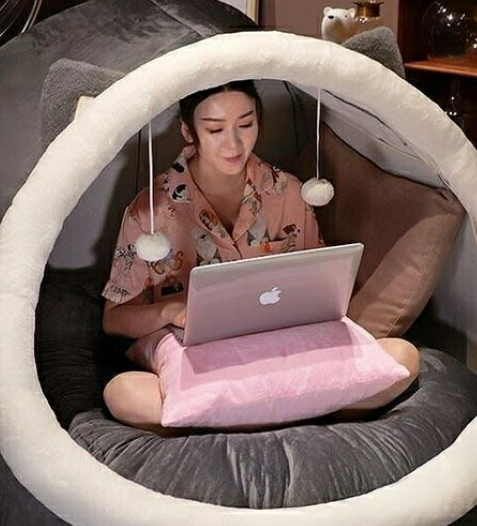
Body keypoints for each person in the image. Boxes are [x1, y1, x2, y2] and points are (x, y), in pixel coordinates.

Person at [101, 81, 419, 432]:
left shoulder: (289, 192)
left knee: (403, 357)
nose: (234, 144)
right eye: (215, 130)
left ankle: (241, 418)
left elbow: (321, 288)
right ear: (188, 132)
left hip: (280, 350)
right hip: (200, 362)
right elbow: (114, 319)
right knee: (125, 394)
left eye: (246, 124)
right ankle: (296, 410)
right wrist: (171, 312)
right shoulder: (149, 212)